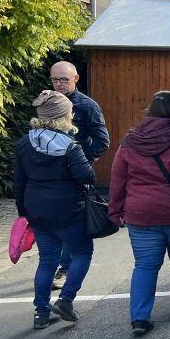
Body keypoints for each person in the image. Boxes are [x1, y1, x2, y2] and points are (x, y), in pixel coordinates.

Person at [108, 91, 170, 336]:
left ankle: (140, 317)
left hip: (140, 214)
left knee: (144, 265)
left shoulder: (131, 141)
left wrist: (115, 210)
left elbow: (118, 179)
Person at [14, 90, 95, 328]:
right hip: (68, 210)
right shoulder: (70, 146)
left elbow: (19, 181)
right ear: (62, 116)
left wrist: (23, 213)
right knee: (82, 252)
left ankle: (41, 313)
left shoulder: (23, 143)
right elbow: (86, 176)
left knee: (47, 260)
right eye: (70, 111)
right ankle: (66, 300)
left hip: (37, 209)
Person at [48, 61, 109, 291]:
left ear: (76, 79)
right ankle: (53, 263)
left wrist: (82, 161)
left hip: (74, 173)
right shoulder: (46, 102)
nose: (59, 84)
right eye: (55, 79)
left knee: (71, 220)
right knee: (53, 219)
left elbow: (102, 140)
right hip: (49, 172)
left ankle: (65, 267)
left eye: (64, 79)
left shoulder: (86, 106)